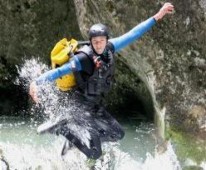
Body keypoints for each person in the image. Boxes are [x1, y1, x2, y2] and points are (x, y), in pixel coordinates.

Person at [29, 3, 174, 159]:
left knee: (118, 134)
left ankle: (73, 140)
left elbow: (133, 34)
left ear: (106, 40)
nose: (98, 44)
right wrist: (36, 82)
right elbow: (59, 71)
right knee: (95, 153)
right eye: (95, 41)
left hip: (94, 106)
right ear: (90, 41)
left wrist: (157, 16)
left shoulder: (110, 48)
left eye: (101, 40)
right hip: (79, 107)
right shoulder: (83, 58)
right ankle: (62, 129)